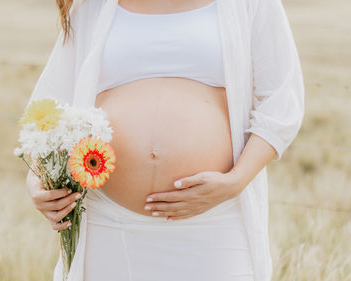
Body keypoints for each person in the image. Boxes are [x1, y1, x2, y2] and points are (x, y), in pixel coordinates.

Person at [25, 0, 305, 280]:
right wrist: (37, 183)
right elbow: (49, 106)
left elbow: (281, 99)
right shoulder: (92, 7)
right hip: (109, 225)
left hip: (213, 223)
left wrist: (237, 181)